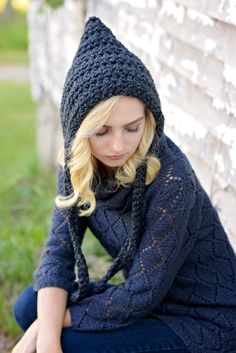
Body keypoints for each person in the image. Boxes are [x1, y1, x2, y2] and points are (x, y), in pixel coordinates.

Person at [12, 16, 236, 353]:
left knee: (64, 336)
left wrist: (45, 330)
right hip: (149, 301)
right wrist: (44, 334)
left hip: (202, 320)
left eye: (131, 128)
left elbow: (140, 293)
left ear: (148, 119)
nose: (118, 146)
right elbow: (57, 257)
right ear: (80, 130)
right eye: (102, 131)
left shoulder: (173, 180)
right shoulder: (78, 162)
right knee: (30, 307)